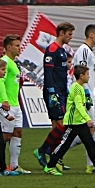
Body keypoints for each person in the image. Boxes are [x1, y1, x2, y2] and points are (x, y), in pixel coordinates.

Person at [43, 65, 95, 175]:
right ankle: (50, 166)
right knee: (64, 144)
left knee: (90, 143)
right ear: (81, 76)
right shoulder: (76, 88)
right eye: (87, 74)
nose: (89, 77)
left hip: (79, 122)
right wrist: (88, 119)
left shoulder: (80, 87)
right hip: (73, 122)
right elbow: (78, 106)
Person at [33, 22, 75, 168]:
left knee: (57, 126)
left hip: (61, 91)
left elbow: (62, 74)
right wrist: (51, 92)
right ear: (61, 33)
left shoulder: (62, 51)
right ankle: (41, 151)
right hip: (54, 92)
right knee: (63, 125)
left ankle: (54, 158)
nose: (70, 37)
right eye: (69, 34)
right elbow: (49, 72)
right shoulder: (52, 49)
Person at [0, 35, 29, 174]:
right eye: (17, 45)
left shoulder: (13, 62)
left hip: (16, 104)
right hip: (8, 104)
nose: (19, 47)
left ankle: (14, 165)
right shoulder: (4, 61)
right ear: (9, 47)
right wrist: (4, 100)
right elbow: (0, 82)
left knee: (18, 132)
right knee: (5, 136)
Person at [73, 25, 95, 148]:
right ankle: (55, 153)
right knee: (90, 129)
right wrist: (86, 94)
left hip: (91, 93)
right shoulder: (84, 51)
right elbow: (80, 73)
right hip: (86, 95)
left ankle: (92, 165)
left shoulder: (89, 51)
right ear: (91, 35)